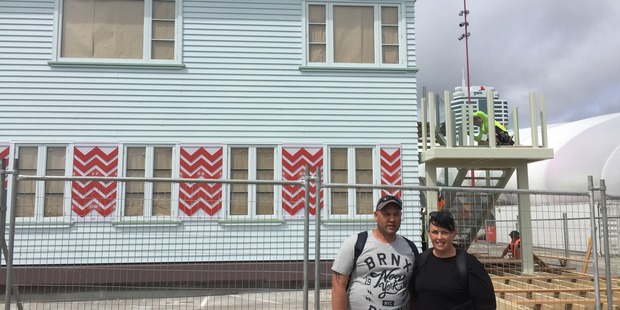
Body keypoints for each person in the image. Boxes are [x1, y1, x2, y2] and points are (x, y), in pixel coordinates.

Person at [332, 195, 418, 310]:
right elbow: (338, 286)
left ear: (401, 216)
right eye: (386, 214)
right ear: (376, 216)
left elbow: (415, 290)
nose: (392, 219)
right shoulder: (356, 243)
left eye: (396, 214)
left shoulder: (410, 248)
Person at [413, 210, 496, 310]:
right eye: (435, 232)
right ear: (429, 234)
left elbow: (486, 304)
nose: (439, 237)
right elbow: (414, 297)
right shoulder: (421, 261)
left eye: (445, 232)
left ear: (454, 234)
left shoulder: (469, 264)